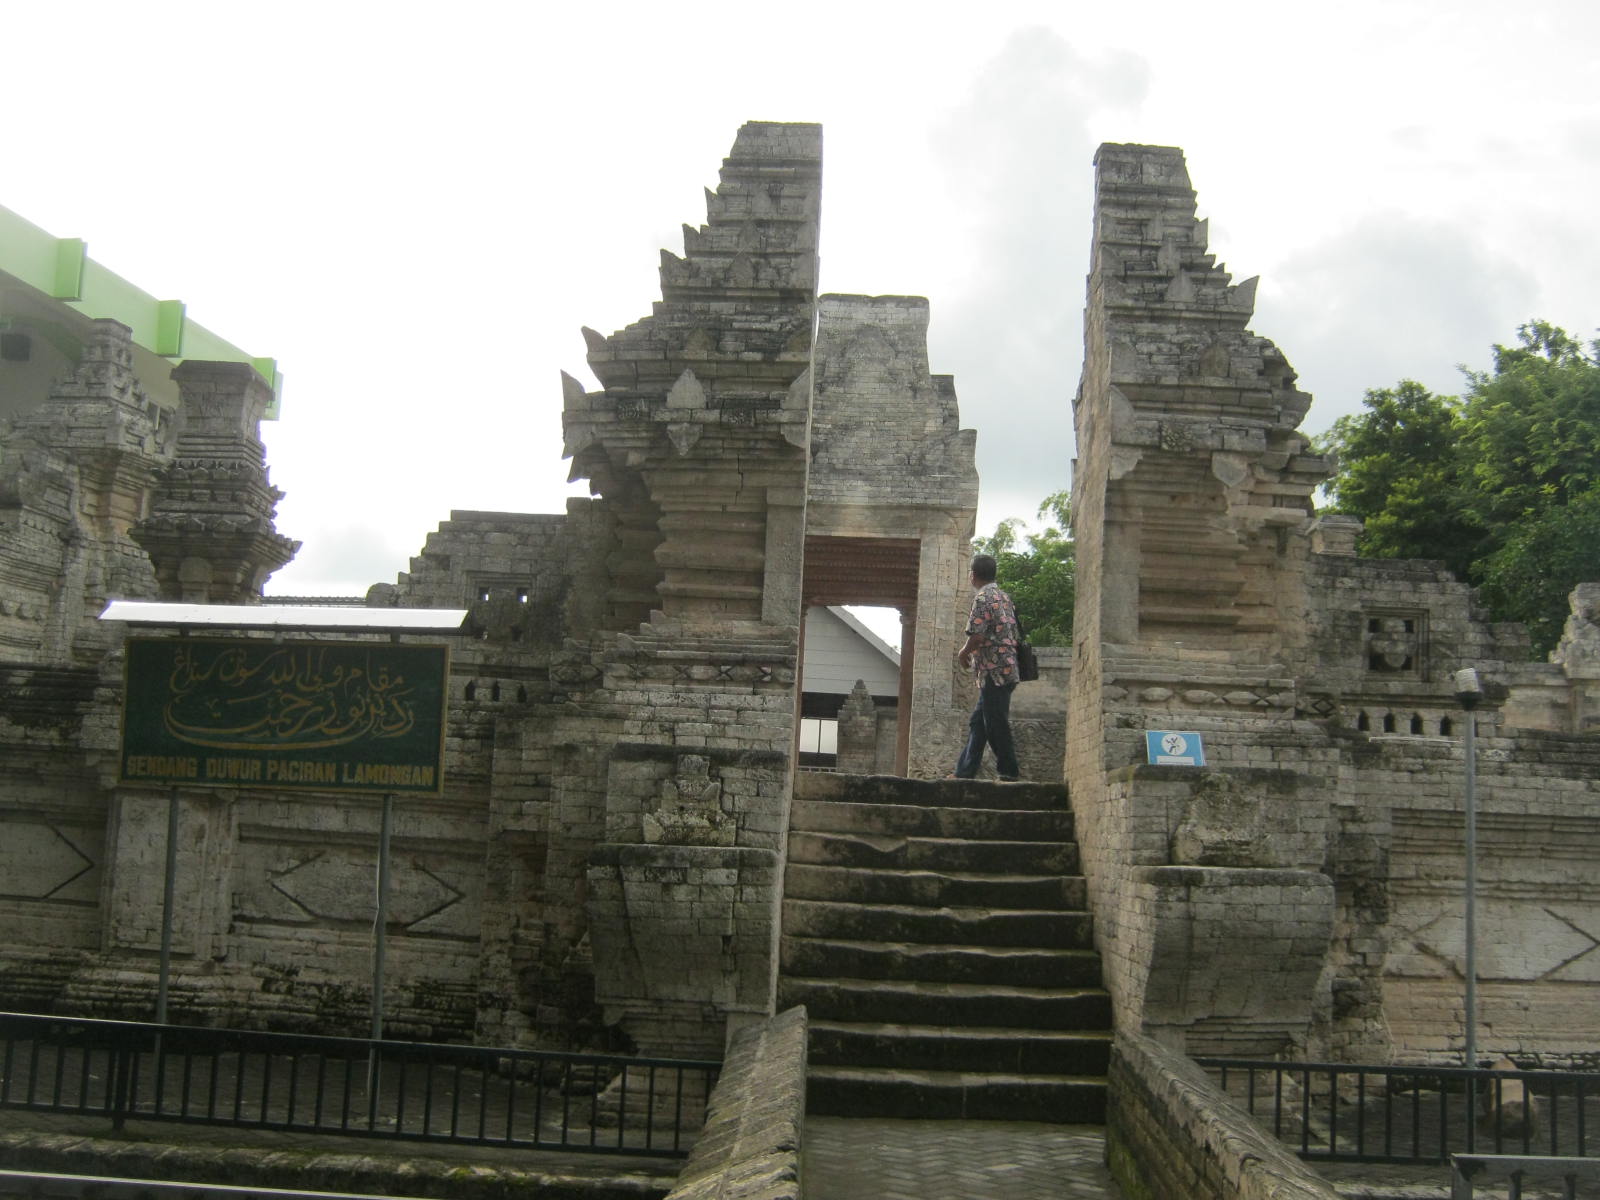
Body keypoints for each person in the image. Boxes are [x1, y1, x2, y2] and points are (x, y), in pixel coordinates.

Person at [953, 554, 1022, 780]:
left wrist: (964, 652)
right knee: (979, 722)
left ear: (973, 575)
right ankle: (964, 772)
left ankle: (1008, 771)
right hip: (1006, 669)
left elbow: (978, 635)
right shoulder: (1004, 597)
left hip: (995, 671)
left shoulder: (982, 598)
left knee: (995, 722)